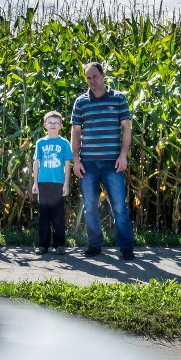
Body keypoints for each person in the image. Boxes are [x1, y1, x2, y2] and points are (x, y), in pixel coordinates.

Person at [70, 62, 135, 260]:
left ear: (103, 75)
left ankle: (126, 248)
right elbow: (75, 131)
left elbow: (126, 128)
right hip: (88, 164)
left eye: (95, 76)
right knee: (90, 206)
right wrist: (76, 160)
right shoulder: (81, 102)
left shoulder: (118, 99)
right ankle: (94, 245)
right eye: (88, 78)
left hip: (112, 163)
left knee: (119, 207)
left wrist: (123, 155)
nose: (92, 81)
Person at [32, 111, 73, 255]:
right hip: (43, 183)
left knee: (58, 215)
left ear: (61, 126)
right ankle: (43, 245)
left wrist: (66, 184)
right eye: (50, 122)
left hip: (58, 183)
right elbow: (36, 163)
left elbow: (67, 164)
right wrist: (35, 183)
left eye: (56, 123)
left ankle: (59, 244)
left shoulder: (64, 143)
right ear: (45, 125)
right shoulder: (40, 143)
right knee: (44, 215)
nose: (53, 125)